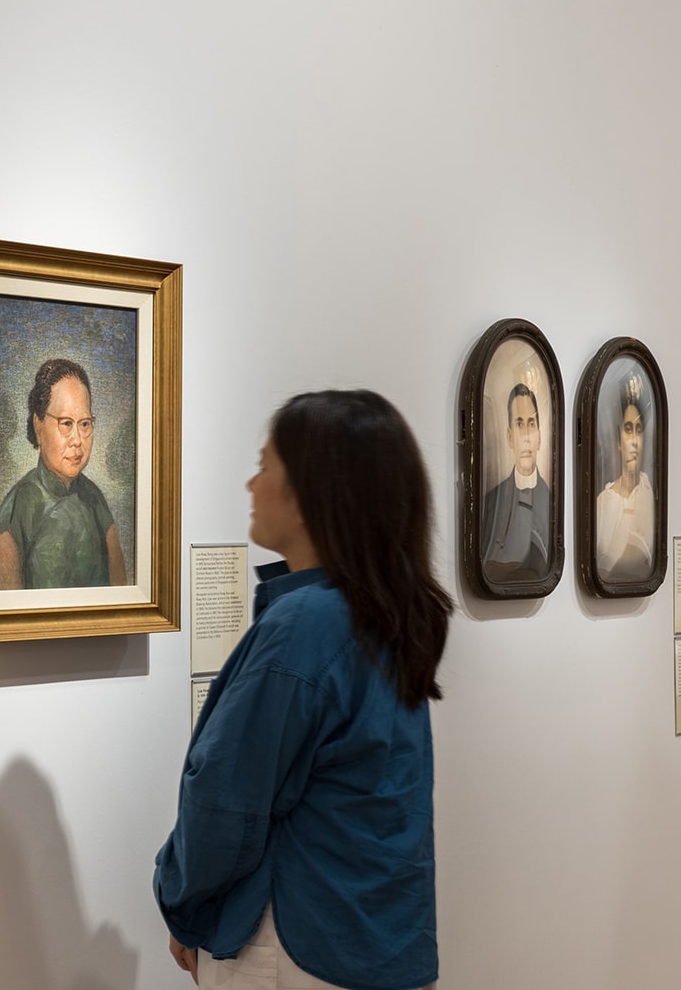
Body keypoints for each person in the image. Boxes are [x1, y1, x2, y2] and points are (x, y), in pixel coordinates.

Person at [155, 390, 449, 990]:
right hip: (380, 939)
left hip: (298, 946)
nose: (251, 485)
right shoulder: (386, 611)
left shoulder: (306, 625)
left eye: (266, 466)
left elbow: (226, 798)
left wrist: (184, 904)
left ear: (313, 494)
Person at [0, 358, 126, 590]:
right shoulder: (17, 510)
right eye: (66, 423)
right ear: (38, 425)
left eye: (84, 424)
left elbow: (121, 590)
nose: (77, 441)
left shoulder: (95, 500)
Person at [479, 382, 552, 583]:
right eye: (519, 424)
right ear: (510, 437)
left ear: (539, 436)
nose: (526, 437)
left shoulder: (553, 502)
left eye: (531, 424)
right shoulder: (490, 502)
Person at [595, 375, 654, 580]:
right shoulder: (604, 501)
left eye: (639, 431)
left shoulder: (651, 493)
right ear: (619, 441)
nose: (635, 441)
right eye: (629, 430)